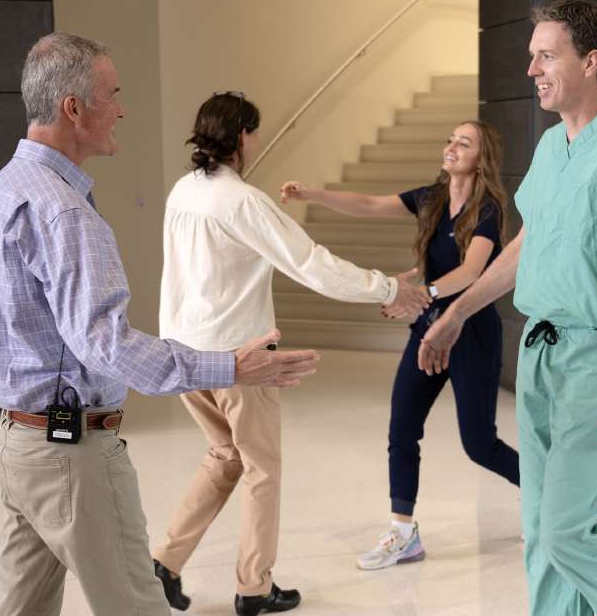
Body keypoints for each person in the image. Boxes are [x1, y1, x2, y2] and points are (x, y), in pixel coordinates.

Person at [0, 33, 321, 616]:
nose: (123, 109)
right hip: (70, 455)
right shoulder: (62, 209)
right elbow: (104, 344)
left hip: (19, 444)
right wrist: (232, 365)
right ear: (73, 108)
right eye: (113, 94)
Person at [418, 0, 597, 616]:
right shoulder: (550, 148)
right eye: (531, 56)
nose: (532, 70)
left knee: (569, 531)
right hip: (539, 359)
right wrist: (459, 311)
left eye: (546, 56)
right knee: (540, 535)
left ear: (589, 62)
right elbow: (527, 246)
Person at [150, 92, 430, 615]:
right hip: (239, 358)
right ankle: (254, 588)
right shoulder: (244, 202)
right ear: (241, 137)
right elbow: (313, 265)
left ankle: (164, 561)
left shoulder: (182, 191)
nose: (255, 143)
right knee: (260, 469)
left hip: (183, 354)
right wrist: (388, 289)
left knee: (224, 456)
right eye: (253, 134)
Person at [280, 120, 520, 571]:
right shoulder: (430, 198)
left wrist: (420, 293)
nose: (450, 146)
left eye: (462, 143)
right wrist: (314, 195)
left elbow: (471, 273)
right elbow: (370, 203)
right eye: (449, 138)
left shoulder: (488, 209)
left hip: (473, 332)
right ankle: (403, 533)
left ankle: (544, 497)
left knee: (479, 443)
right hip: (427, 327)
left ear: (480, 157)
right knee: (402, 429)